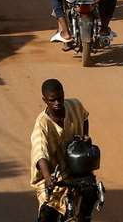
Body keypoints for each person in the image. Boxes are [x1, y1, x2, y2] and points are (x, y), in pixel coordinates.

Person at [30, 79, 93, 222]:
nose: (57, 103)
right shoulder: (42, 125)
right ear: (45, 100)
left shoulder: (75, 105)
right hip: (52, 175)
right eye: (52, 100)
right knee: (47, 215)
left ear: (64, 95)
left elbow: (84, 117)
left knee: (91, 192)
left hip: (75, 169)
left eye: (60, 98)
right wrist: (48, 178)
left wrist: (84, 136)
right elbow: (40, 154)